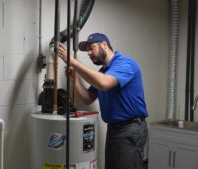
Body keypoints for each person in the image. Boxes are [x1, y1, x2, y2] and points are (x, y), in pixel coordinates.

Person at [57, 33, 149, 169]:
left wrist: (73, 62)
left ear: (104, 45)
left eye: (91, 48)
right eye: (87, 50)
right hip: (114, 129)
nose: (89, 53)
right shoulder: (104, 71)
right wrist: (74, 79)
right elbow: (88, 98)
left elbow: (104, 83)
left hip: (130, 129)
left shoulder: (125, 63)